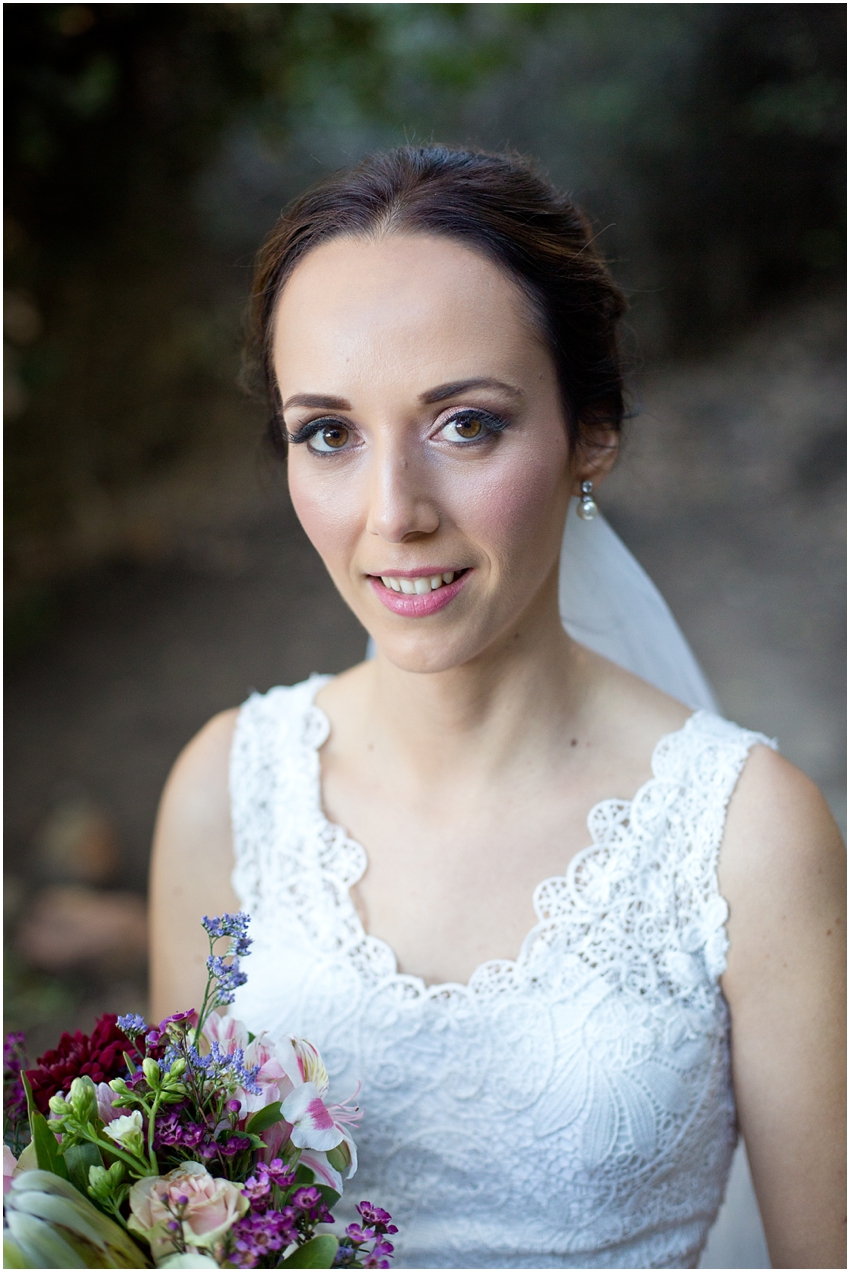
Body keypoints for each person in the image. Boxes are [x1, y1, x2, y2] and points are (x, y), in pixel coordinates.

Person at [150, 146, 845, 1269]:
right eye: (329, 432)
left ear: (591, 431)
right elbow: (173, 1215)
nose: (395, 513)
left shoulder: (748, 837)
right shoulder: (227, 795)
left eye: (465, 424)